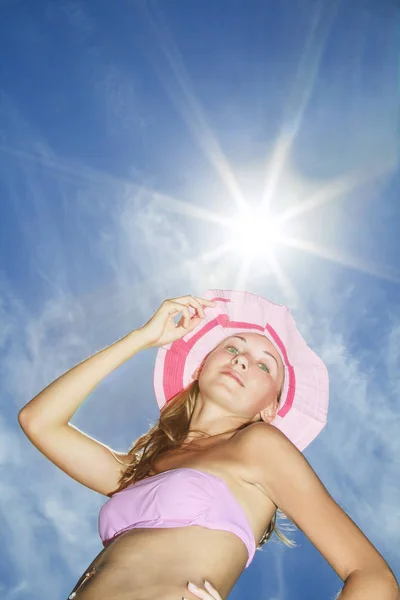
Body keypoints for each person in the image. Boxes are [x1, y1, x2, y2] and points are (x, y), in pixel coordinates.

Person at [18, 290, 399, 600]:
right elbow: (38, 421)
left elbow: (374, 579)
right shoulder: (137, 472)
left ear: (270, 407)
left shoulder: (259, 446)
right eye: (233, 348)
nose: (244, 361)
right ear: (201, 367)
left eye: (266, 365)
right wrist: (142, 338)